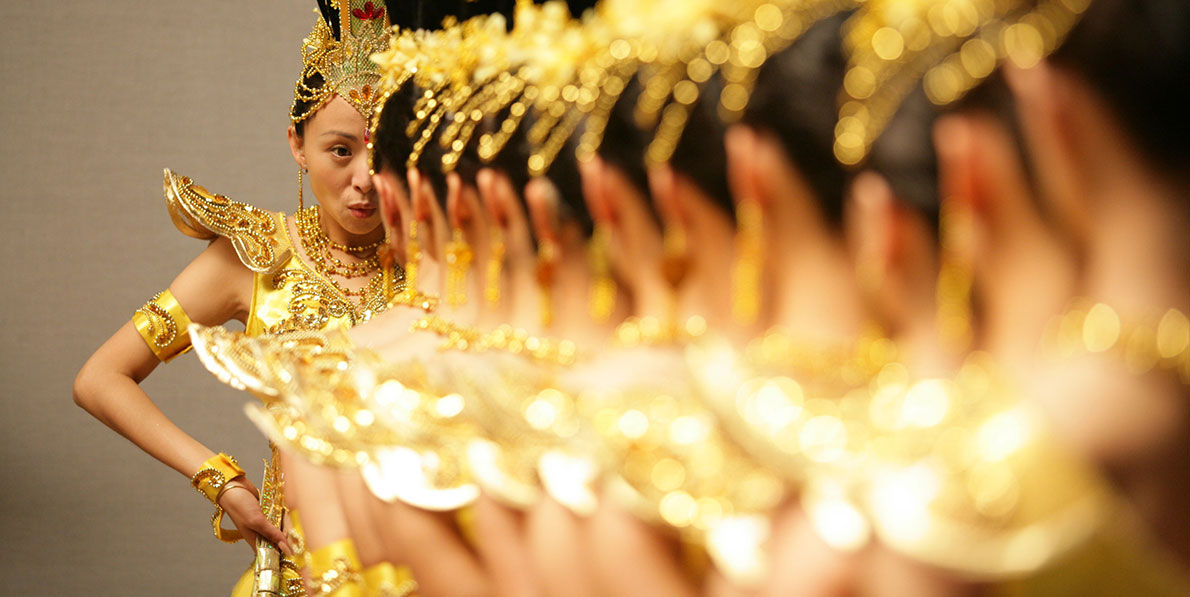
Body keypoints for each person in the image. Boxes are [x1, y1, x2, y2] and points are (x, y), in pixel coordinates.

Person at [73, 1, 397, 594]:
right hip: (299, 577)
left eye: (386, 152)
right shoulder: (253, 258)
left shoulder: (445, 263)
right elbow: (100, 378)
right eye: (341, 150)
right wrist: (218, 480)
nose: (365, 179)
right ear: (298, 145)